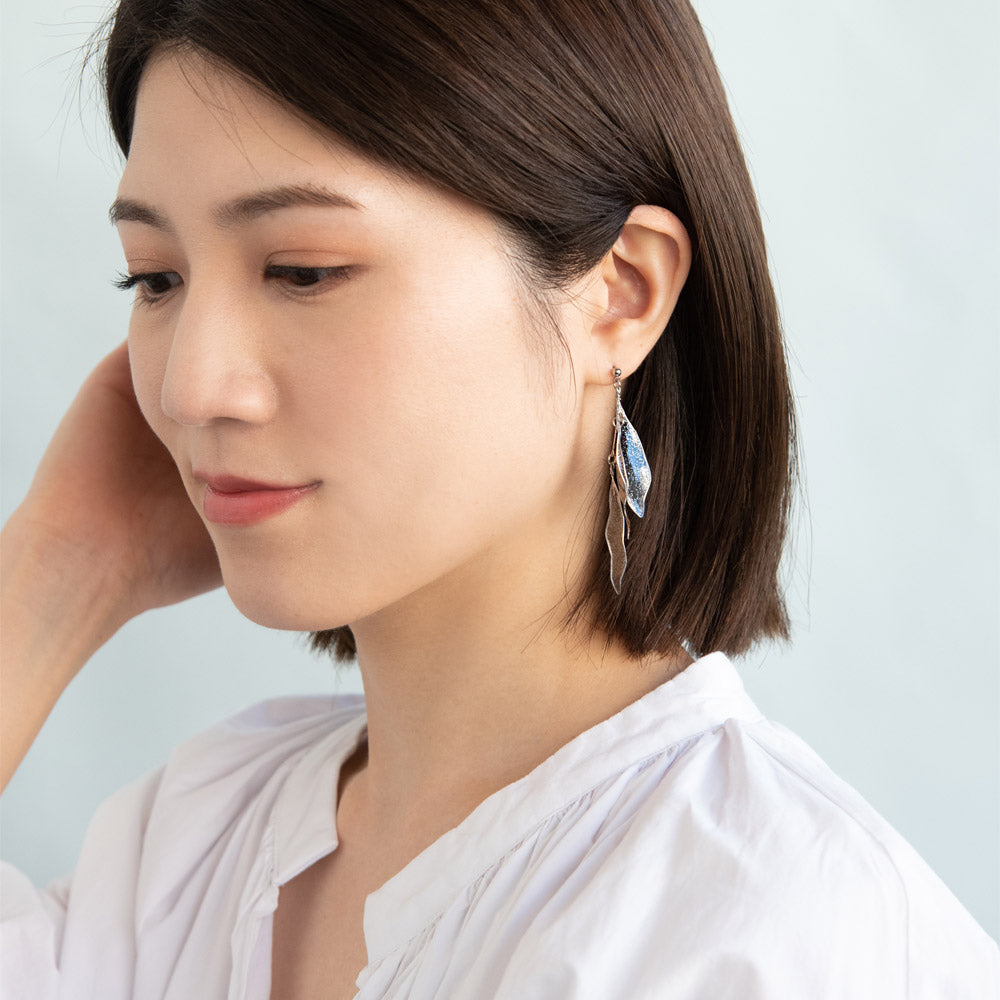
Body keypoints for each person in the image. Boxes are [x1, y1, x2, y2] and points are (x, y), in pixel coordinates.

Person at [1, 1, 997, 998]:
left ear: (621, 292)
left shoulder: (781, 934)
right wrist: (56, 574)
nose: (188, 388)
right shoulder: (186, 847)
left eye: (303, 269)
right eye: (156, 278)